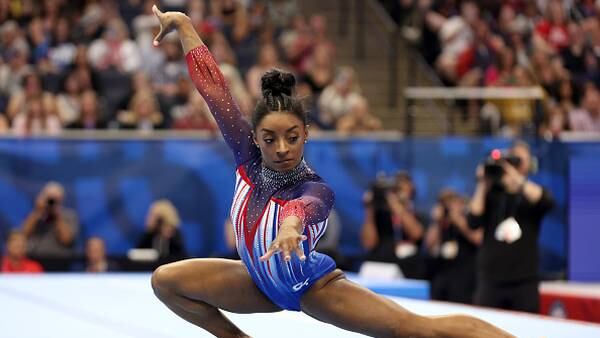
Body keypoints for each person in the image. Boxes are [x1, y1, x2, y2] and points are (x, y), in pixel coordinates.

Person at [149, 6, 514, 338]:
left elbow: (304, 209)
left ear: (306, 134)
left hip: (312, 288)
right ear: (254, 139)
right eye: (270, 138)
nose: (281, 148)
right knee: (166, 281)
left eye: (292, 137)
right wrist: (184, 25)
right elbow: (214, 90)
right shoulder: (247, 156)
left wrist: (290, 228)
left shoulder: (312, 187)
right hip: (258, 282)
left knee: (417, 331)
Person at [469, 141, 554, 313]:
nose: (514, 165)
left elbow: (546, 202)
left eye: (520, 160)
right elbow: (473, 220)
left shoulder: (531, 193)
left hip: (524, 280)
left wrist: (516, 178)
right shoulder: (491, 194)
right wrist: (482, 183)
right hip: (491, 280)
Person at [361, 172, 426, 279]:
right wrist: (369, 209)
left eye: (400, 189)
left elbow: (416, 234)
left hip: (408, 269)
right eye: (395, 189)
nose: (397, 193)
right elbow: (368, 244)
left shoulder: (418, 214)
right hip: (380, 266)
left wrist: (395, 204)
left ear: (412, 191)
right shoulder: (380, 215)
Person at [425, 189, 482, 304]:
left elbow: (477, 238)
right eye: (444, 203)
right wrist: (437, 222)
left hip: (464, 276)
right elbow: (429, 245)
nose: (448, 206)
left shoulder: (469, 218)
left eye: (452, 201)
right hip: (442, 273)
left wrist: (458, 219)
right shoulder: (441, 223)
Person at [21, 182, 79, 260]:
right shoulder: (35, 215)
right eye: (49, 198)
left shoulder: (69, 215)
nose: (51, 202)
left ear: (61, 199)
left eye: (54, 199)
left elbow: (66, 240)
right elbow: (23, 235)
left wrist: (57, 216)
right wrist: (37, 211)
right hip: (34, 258)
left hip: (59, 260)